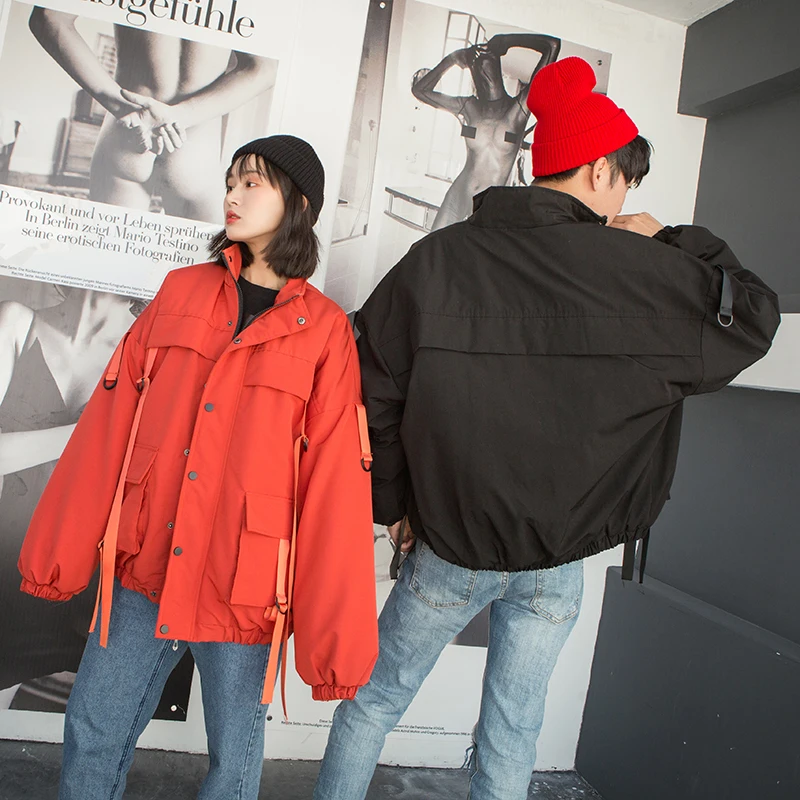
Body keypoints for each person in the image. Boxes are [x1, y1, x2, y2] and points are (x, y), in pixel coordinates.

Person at [313, 57, 781, 800]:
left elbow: (370, 394)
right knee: (515, 728)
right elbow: (753, 315)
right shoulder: (646, 271)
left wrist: (396, 505)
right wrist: (672, 239)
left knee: (372, 705)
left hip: (451, 546)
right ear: (598, 171)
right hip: (562, 557)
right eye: (626, 181)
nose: (625, 200)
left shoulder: (439, 259)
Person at [18, 135, 378, 799]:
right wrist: (58, 556)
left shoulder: (324, 330)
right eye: (232, 181)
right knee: (92, 728)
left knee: (233, 764)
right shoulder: (181, 291)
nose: (233, 195)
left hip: (244, 587)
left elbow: (335, 482)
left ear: (298, 204)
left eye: (253, 183)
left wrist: (333, 640)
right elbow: (109, 424)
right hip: (146, 563)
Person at [0, 287, 141, 712]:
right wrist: (92, 431)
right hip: (7, 556)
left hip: (79, 572)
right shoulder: (16, 321)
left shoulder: (149, 354)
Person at [29, 7, 276, 222]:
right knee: (199, 262)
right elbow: (264, 68)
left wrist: (120, 106)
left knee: (106, 258)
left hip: (130, 127)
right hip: (193, 141)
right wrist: (180, 116)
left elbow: (48, 17)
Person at [411, 32, 561, 230]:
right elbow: (420, 91)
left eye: (487, 59)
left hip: (490, 206)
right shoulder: (468, 106)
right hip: (459, 195)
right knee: (431, 246)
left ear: (498, 64)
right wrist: (453, 58)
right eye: (475, 63)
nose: (481, 68)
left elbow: (552, 46)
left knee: (473, 250)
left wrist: (506, 41)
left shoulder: (518, 109)